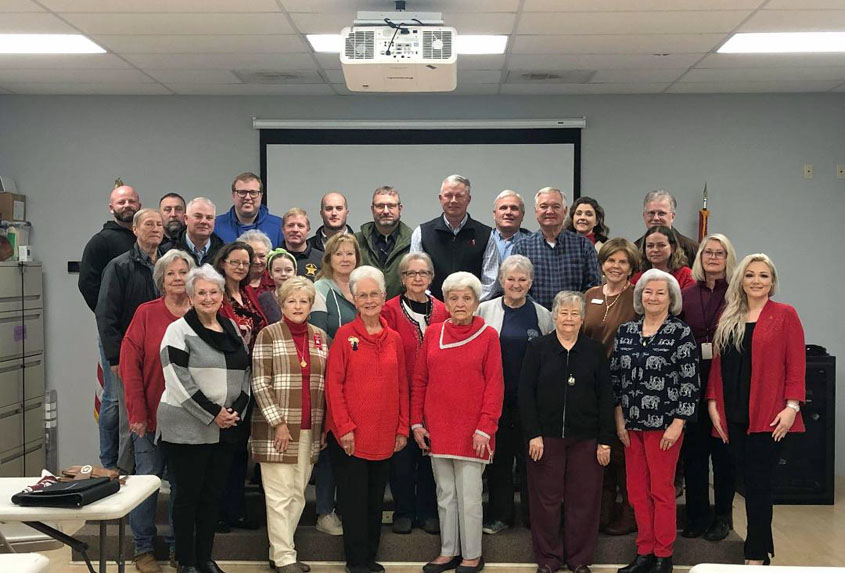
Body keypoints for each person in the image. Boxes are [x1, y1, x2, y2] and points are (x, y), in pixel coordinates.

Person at [706, 254, 805, 566]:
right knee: (744, 484)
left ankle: (756, 553)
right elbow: (718, 367)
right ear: (741, 281)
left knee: (759, 485)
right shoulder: (729, 317)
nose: (757, 281)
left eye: (764, 276)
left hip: (770, 416)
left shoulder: (785, 315)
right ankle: (761, 547)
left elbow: (796, 366)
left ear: (772, 282)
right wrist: (712, 404)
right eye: (750, 275)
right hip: (732, 414)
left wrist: (792, 407)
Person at [158, 264, 251, 573]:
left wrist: (235, 411)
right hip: (188, 427)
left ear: (222, 295)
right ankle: (185, 562)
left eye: (214, 292)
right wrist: (213, 414)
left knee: (212, 497)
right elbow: (177, 381)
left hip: (225, 427)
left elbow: (246, 374)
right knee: (187, 498)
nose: (208, 298)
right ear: (191, 296)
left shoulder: (232, 328)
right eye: (202, 293)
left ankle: (204, 558)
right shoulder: (178, 331)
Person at [412, 272, 504, 573]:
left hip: (473, 432)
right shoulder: (433, 333)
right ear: (446, 302)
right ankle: (449, 551)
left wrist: (485, 428)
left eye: (467, 297)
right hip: (438, 427)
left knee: (469, 497)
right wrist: (417, 423)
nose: (460, 303)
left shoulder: (488, 335)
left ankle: (472, 555)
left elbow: (495, 386)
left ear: (477, 302)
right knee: (446, 495)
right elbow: (420, 381)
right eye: (454, 297)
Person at [611, 269, 699, 573]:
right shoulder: (626, 332)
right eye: (648, 292)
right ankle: (644, 552)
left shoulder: (680, 332)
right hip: (631, 425)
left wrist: (678, 423)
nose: (654, 297)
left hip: (664, 426)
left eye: (661, 292)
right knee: (636, 491)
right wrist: (619, 418)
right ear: (640, 296)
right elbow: (616, 379)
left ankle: (664, 555)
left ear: (671, 298)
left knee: (661, 491)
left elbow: (690, 382)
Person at [520, 291, 614, 573]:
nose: (569, 318)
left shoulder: (595, 351)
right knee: (545, 501)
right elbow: (525, 393)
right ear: (554, 316)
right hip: (545, 438)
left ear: (583, 319)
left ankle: (579, 559)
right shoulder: (538, 348)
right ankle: (548, 559)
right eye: (564, 312)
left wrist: (605, 441)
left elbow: (606, 397)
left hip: (587, 439)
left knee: (583, 500)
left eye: (575, 313)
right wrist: (533, 433)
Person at [325, 266, 409, 573]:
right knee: (354, 504)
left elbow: (402, 385)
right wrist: (344, 428)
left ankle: (369, 558)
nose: (370, 300)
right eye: (363, 295)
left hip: (385, 434)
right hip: (351, 437)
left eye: (375, 294)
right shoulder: (345, 336)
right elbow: (333, 387)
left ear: (384, 297)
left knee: (375, 503)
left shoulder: (395, 339)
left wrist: (402, 427)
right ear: (354, 299)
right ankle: (355, 562)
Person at [120, 249, 195, 573]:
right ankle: (143, 550)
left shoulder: (203, 311)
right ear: (161, 280)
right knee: (147, 485)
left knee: (183, 487)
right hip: (150, 417)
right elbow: (129, 365)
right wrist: (136, 412)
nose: (178, 278)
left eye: (183, 272)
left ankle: (181, 550)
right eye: (171, 274)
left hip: (191, 420)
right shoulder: (146, 314)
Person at [250, 277, 329, 573]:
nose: (298, 306)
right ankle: (285, 558)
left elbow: (325, 384)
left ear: (311, 304)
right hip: (278, 429)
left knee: (297, 493)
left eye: (304, 301)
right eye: (292, 301)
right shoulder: (268, 334)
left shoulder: (320, 336)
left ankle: (278, 550)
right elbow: (259, 382)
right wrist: (278, 423)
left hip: (310, 427)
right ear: (282, 304)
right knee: (279, 495)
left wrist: (323, 428)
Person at [476, 254, 553, 535]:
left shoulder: (543, 316)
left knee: (532, 462)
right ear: (501, 281)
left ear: (530, 282)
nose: (516, 284)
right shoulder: (485, 311)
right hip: (496, 401)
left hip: (531, 404)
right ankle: (501, 515)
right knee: (499, 462)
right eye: (511, 279)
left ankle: (534, 517)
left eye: (522, 279)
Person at [381, 252, 449, 535]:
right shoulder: (389, 310)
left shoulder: (444, 310)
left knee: (431, 453)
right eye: (411, 274)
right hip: (400, 393)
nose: (417, 278)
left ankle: (428, 511)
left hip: (436, 394)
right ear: (402, 278)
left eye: (423, 273)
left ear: (431, 278)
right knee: (402, 457)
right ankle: (404, 511)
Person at [96, 208, 165, 474]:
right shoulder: (120, 266)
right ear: (135, 230)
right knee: (129, 417)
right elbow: (106, 314)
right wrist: (114, 357)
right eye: (149, 224)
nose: (156, 228)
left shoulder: (169, 266)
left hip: (162, 358)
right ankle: (124, 471)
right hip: (130, 355)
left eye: (159, 224)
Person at [679, 234, 738, 541]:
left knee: (723, 455)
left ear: (728, 259)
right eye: (708, 252)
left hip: (726, 384)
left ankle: (723, 517)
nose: (714, 258)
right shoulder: (686, 294)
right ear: (700, 257)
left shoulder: (738, 296)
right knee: (694, 454)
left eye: (720, 253)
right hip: (691, 382)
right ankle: (697, 515)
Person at [79, 179, 140, 470]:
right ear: (111, 207)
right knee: (115, 399)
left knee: (134, 397)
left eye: (131, 201)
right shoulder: (101, 242)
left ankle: (129, 459)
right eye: (121, 202)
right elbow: (87, 283)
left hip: (141, 335)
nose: (127, 206)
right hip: (115, 334)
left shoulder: (145, 239)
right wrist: (108, 319)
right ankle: (110, 461)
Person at [582, 238, 640, 536]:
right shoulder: (589, 294)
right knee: (598, 450)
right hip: (591, 385)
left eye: (622, 262)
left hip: (626, 384)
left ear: (631, 267)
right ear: (602, 263)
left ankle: (629, 513)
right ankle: (602, 512)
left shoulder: (638, 297)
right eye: (611, 261)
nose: (616, 266)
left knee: (621, 451)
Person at [212, 241, 268, 532]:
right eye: (234, 261)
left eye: (245, 263)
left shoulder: (248, 294)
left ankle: (235, 510)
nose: (240, 267)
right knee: (223, 451)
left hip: (249, 379)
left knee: (238, 452)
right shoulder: (215, 294)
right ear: (223, 262)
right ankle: (218, 512)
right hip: (225, 380)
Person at [410, 174, 499, 301]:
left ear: (468, 199)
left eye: (459, 196)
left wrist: (467, 304)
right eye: (448, 195)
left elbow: (490, 281)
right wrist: (434, 305)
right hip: (431, 310)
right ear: (440, 198)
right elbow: (416, 276)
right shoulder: (422, 233)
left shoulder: (485, 234)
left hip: (473, 311)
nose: (453, 200)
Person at [512, 187, 601, 309]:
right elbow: (518, 287)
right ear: (536, 211)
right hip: (533, 319)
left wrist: (570, 311)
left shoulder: (584, 246)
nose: (549, 211)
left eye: (556, 206)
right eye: (544, 206)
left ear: (565, 211)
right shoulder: (522, 247)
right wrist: (539, 313)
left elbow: (593, 287)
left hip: (573, 320)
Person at [355, 186, 412, 299]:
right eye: (380, 206)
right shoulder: (356, 241)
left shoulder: (414, 241)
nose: (386, 211)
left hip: (401, 312)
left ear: (400, 208)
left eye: (391, 206)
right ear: (372, 209)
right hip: (365, 309)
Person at [310, 233, 361, 342]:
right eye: (338, 254)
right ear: (329, 258)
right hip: (333, 354)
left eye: (350, 253)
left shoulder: (364, 286)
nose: (345, 259)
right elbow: (318, 333)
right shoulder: (319, 289)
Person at [215, 172, 284, 247]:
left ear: (260, 196)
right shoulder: (216, 226)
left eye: (253, 192)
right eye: (242, 192)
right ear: (233, 195)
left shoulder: (279, 227)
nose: (247, 197)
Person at [634, 190, 698, 268]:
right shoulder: (634, 250)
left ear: (673, 216)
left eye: (661, 213)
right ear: (644, 216)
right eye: (651, 213)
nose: (656, 218)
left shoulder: (693, 249)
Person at [631, 225, 694, 290]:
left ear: (673, 248)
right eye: (650, 246)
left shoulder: (686, 276)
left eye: (661, 245)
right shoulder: (637, 278)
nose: (655, 250)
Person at [165, 197, 224, 266]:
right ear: (186, 219)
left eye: (209, 218)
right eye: (198, 216)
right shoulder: (167, 251)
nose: (204, 221)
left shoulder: (224, 254)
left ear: (214, 222)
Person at [257, 248, 299, 324]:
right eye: (277, 270)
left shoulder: (304, 296)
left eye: (288, 270)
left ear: (295, 272)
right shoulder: (264, 299)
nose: (283, 274)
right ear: (270, 274)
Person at [281, 208, 323, 281]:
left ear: (308, 231)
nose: (295, 230)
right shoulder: (273, 257)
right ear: (283, 230)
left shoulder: (322, 259)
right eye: (290, 225)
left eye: (300, 226)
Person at [491, 190, 531, 261]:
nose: (508, 212)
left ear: (522, 215)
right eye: (503, 208)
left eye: (514, 208)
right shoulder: (482, 240)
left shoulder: (533, 244)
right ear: (494, 214)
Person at [239, 229, 275, 298]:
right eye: (252, 256)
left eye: (262, 256)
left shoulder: (276, 281)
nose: (257, 261)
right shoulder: (233, 282)